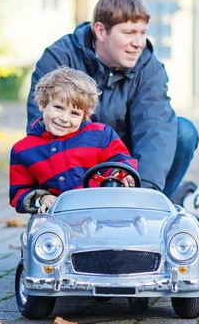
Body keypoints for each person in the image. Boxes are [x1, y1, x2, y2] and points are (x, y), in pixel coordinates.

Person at [26, 0, 198, 199]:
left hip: (127, 164)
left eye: (142, 33)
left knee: (183, 132)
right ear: (100, 31)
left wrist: (142, 195)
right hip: (75, 162)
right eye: (129, 33)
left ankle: (153, 207)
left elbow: (155, 128)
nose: (138, 43)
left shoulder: (149, 68)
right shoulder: (59, 58)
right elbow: (41, 127)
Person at [10, 67, 138, 214]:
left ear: (84, 115)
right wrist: (42, 199)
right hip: (58, 218)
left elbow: (121, 161)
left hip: (103, 211)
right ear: (42, 103)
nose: (64, 118)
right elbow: (19, 192)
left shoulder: (101, 135)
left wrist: (120, 175)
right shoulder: (22, 150)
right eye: (58, 107)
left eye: (75, 113)